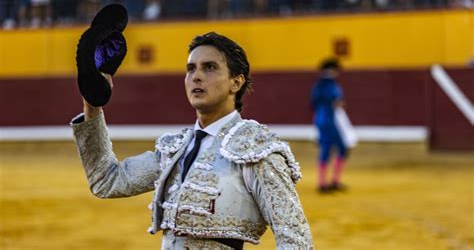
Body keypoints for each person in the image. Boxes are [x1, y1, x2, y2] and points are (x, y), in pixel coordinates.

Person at [71, 32, 313, 249]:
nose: (196, 77)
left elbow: (295, 239)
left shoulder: (255, 149)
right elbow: (107, 181)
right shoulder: (175, 149)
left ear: (236, 82)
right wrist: (93, 103)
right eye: (190, 69)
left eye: (209, 68)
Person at [310, 58, 349, 194]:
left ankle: (323, 182)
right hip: (331, 120)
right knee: (342, 148)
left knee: (326, 149)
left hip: (320, 119)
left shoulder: (318, 85)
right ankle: (333, 181)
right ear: (332, 70)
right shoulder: (332, 85)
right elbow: (336, 101)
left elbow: (313, 103)